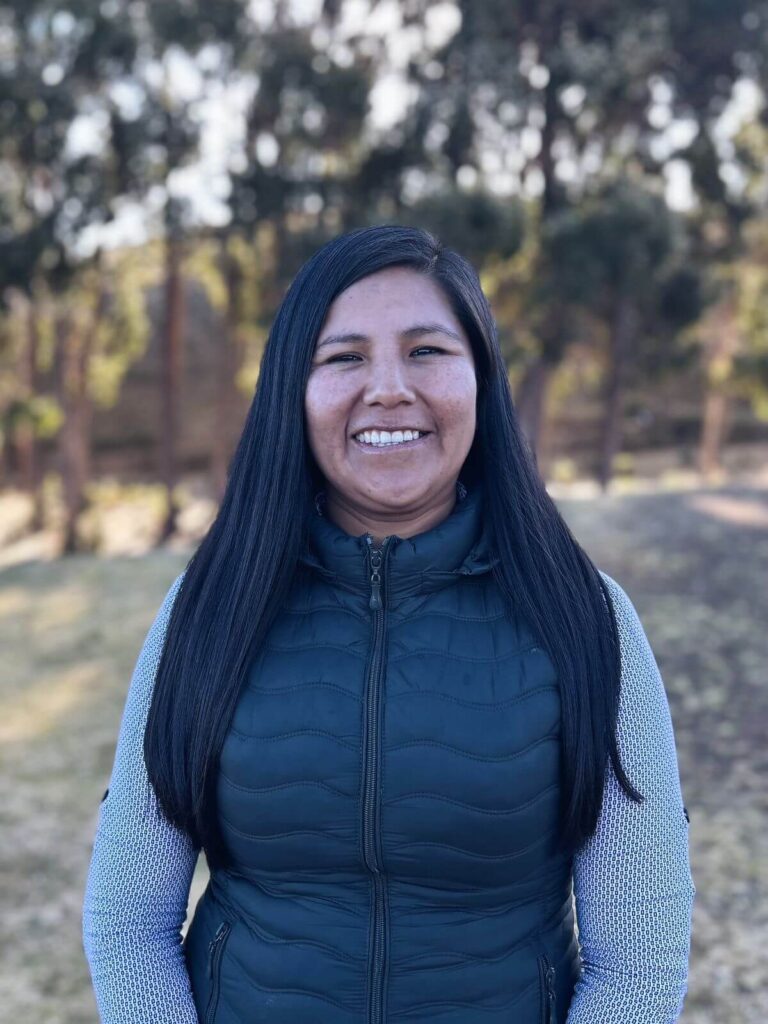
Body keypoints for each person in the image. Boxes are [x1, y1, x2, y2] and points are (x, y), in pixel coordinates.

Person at [82, 224, 695, 1023]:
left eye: (426, 351)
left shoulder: (587, 618)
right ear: (292, 392)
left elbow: (639, 960)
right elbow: (129, 923)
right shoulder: (209, 609)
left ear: (482, 380)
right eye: (343, 358)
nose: (389, 389)